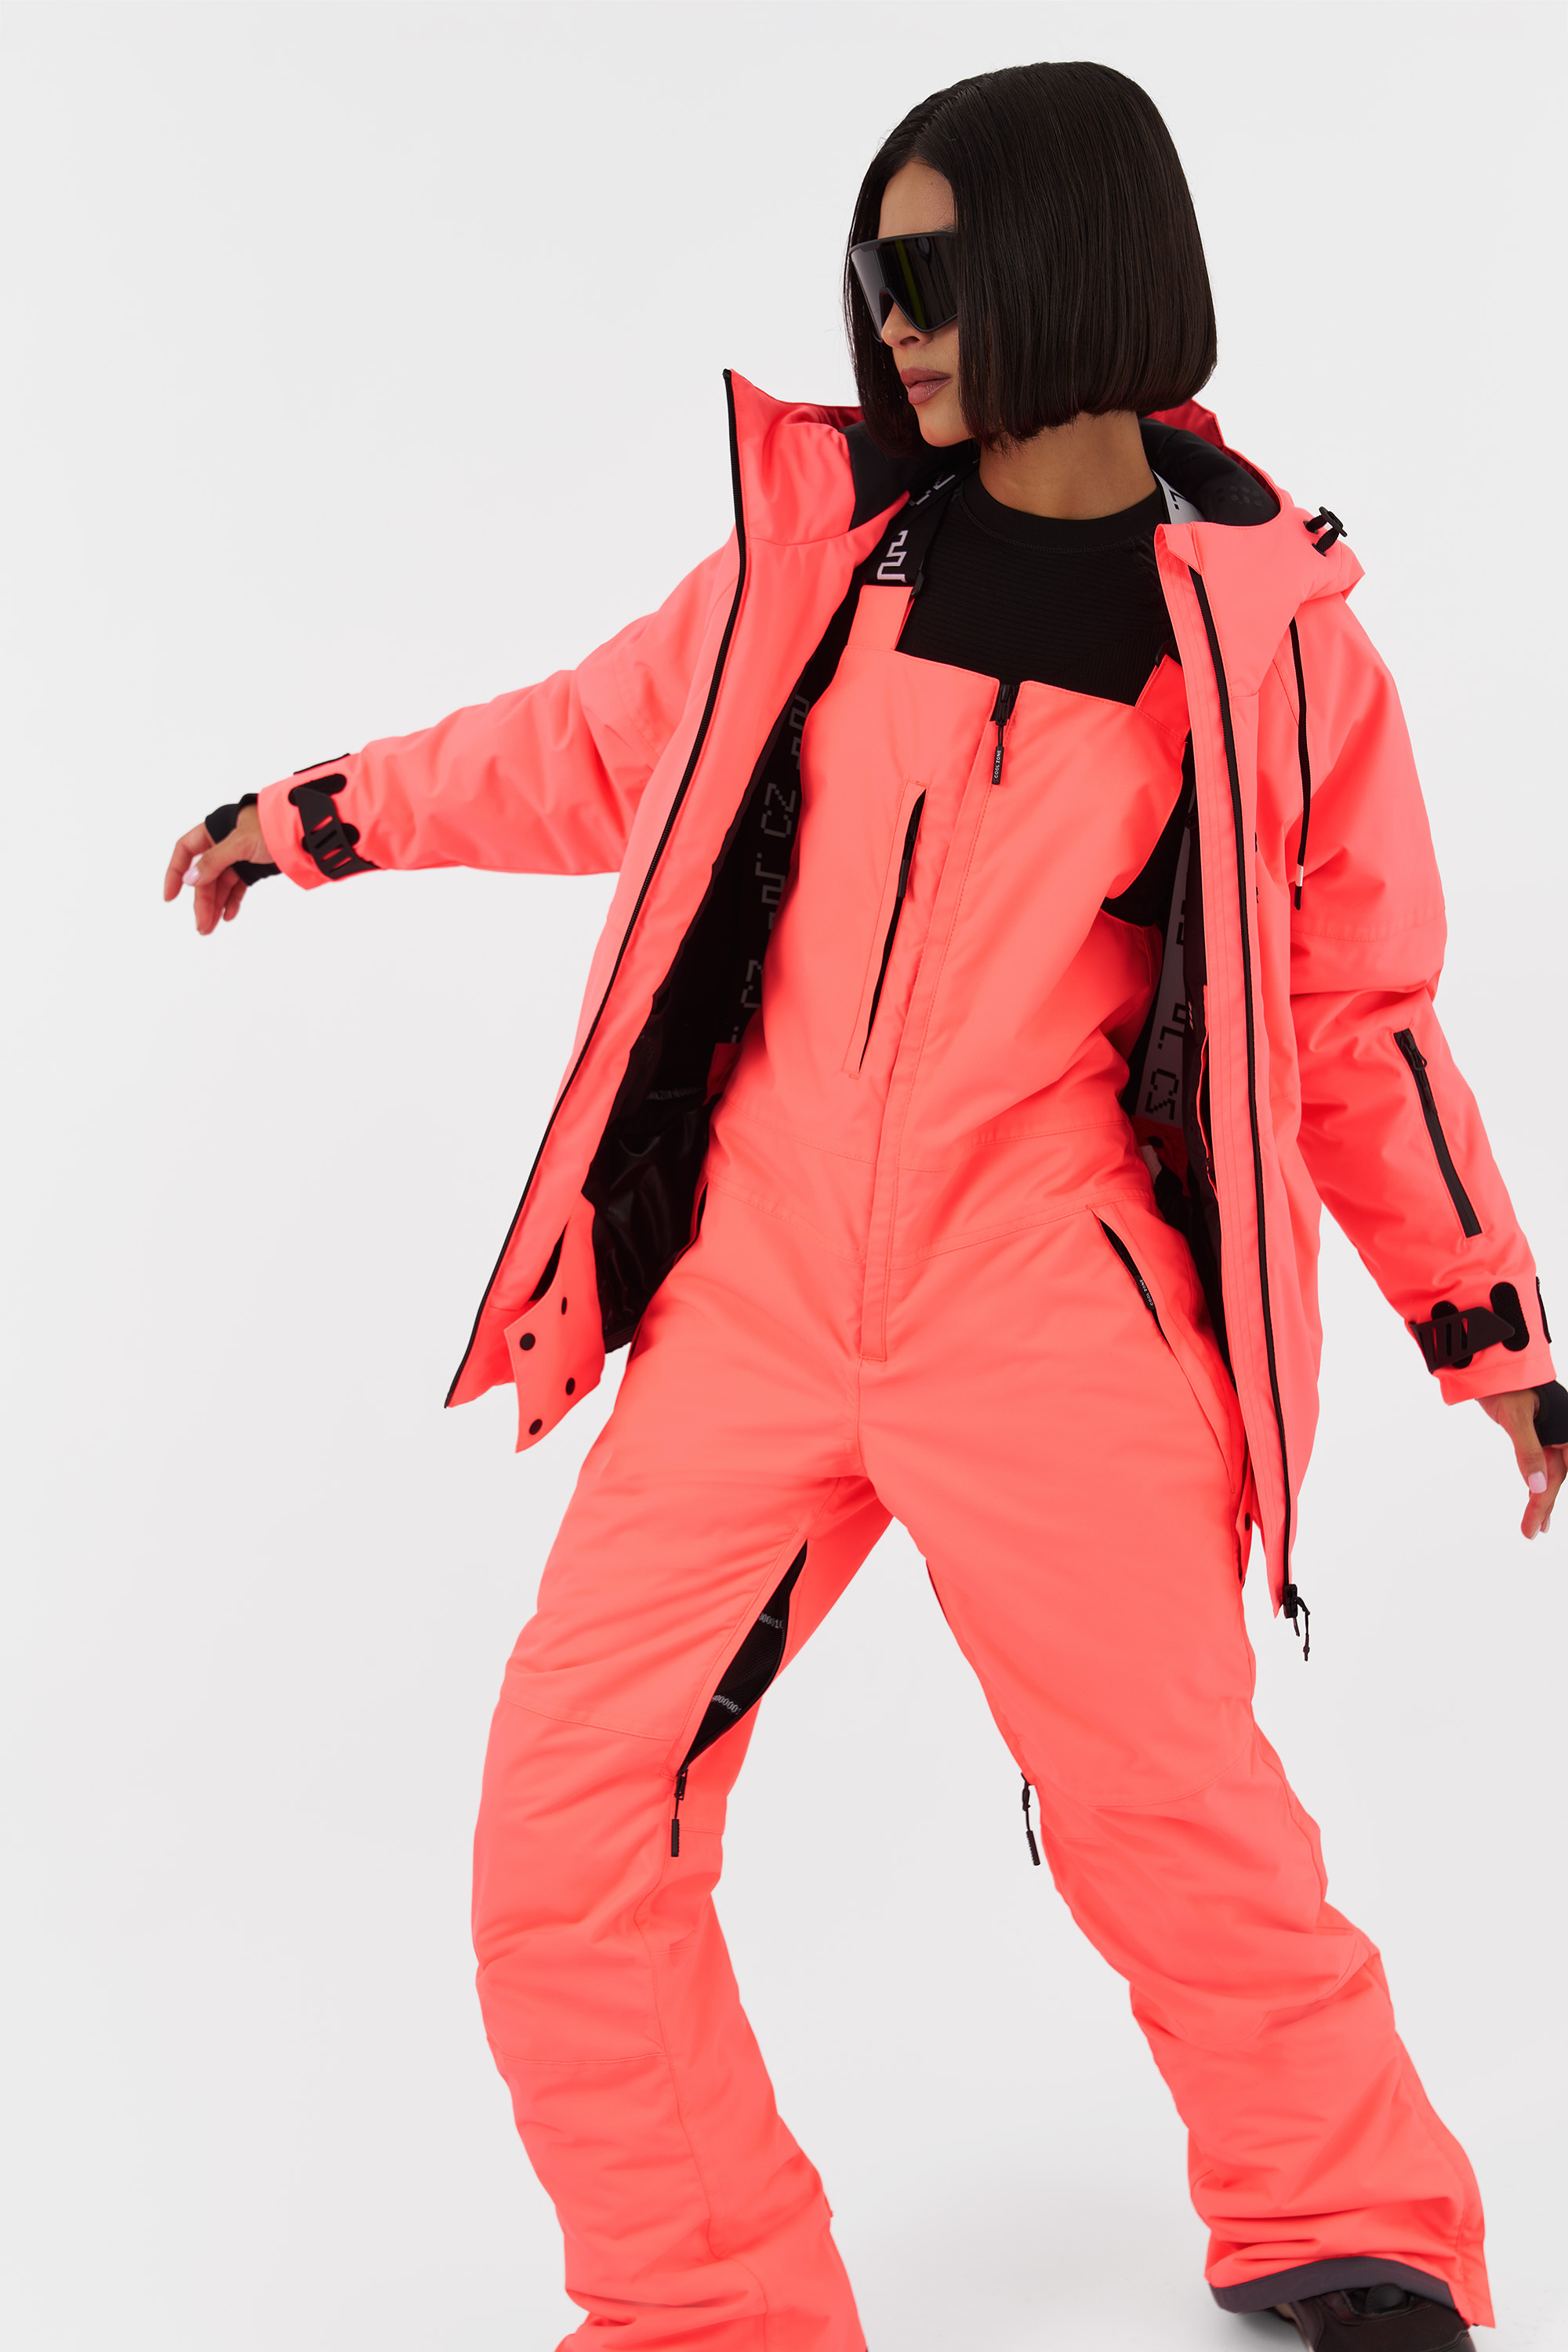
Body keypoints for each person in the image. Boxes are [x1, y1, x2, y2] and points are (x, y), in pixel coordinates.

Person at [163, 60, 1563, 2352]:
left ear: (1075, 267)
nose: (892, 323)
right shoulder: (821, 569)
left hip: (1058, 1311)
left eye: (935, 273)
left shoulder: (1272, 645)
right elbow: (576, 745)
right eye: (875, 275)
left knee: (1166, 1810)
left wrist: (1490, 1332)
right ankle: (709, 2305)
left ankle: (1348, 2210)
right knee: (566, 1827)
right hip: (761, 1296)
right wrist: (314, 818)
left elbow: (1353, 1022)